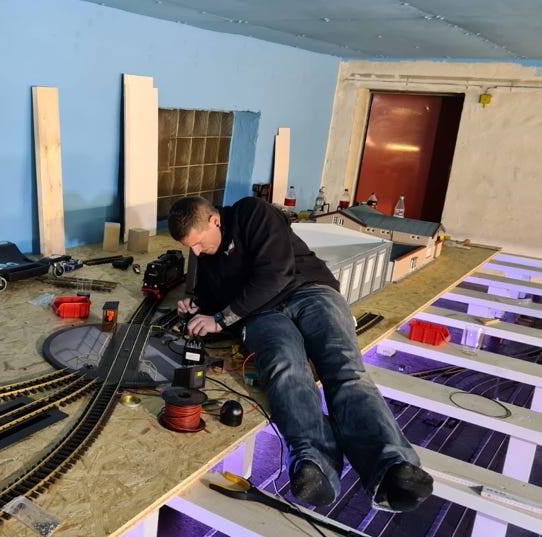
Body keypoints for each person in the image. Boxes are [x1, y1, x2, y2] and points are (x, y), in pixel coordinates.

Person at [167, 194, 433, 512]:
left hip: (310, 291)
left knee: (343, 366)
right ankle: (314, 462)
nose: (195, 252)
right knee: (285, 367)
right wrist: (198, 308)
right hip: (262, 317)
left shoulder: (251, 213)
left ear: (214, 221)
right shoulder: (206, 256)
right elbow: (213, 299)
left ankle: (391, 468)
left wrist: (221, 318)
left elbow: (275, 274)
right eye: (190, 248)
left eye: (198, 243)